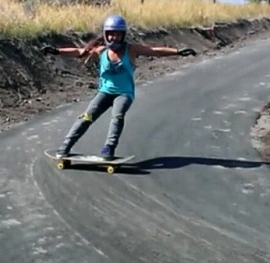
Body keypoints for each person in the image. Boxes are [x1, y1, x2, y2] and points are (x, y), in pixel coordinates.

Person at [41, 14, 197, 160]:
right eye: (111, 34)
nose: (114, 37)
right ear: (106, 34)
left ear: (123, 35)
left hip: (124, 93)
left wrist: (178, 52)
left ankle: (109, 148)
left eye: (117, 34)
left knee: (117, 115)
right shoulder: (101, 51)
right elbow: (79, 52)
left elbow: (154, 51)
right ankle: (65, 146)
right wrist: (56, 51)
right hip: (104, 92)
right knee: (87, 117)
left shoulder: (131, 50)